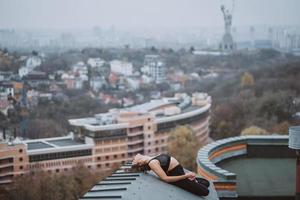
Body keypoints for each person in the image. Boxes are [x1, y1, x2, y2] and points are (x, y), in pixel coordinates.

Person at [131, 153, 210, 197]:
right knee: (206, 192)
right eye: (137, 159)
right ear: (140, 163)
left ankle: (194, 182)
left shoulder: (149, 157)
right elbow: (166, 179)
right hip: (176, 178)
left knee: (207, 183)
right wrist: (186, 176)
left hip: (180, 172)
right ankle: (192, 182)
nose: (138, 156)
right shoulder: (152, 163)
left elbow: (137, 155)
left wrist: (186, 175)